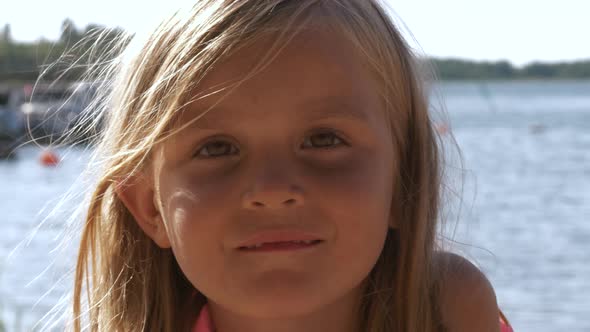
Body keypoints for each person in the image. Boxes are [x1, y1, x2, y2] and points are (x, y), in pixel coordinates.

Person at [70, 1, 514, 331]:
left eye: (324, 140)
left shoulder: (446, 311)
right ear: (150, 208)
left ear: (403, 182)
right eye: (217, 148)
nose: (272, 188)